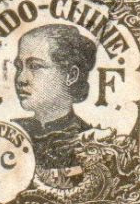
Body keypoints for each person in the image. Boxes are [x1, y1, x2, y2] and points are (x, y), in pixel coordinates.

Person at [11, 24, 99, 172]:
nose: (21, 78)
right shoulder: (10, 133)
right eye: (19, 67)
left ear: (71, 75)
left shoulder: (90, 143)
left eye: (35, 66)